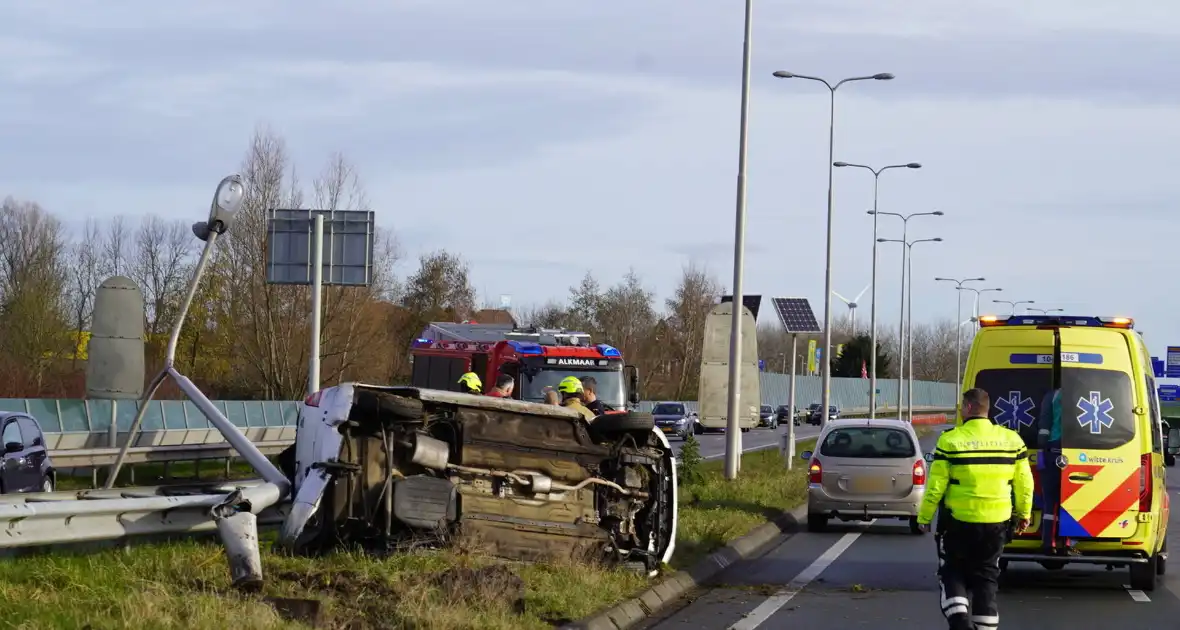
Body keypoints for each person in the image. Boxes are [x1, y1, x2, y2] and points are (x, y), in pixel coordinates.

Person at [917, 388, 1033, 630]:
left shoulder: (950, 440)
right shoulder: (1012, 440)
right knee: (986, 578)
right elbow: (1024, 483)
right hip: (996, 523)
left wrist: (924, 516)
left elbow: (936, 486)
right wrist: (1023, 514)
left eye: (962, 406)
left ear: (969, 408)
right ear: (986, 409)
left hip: (958, 523)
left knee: (952, 573)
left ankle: (960, 621)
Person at [1035, 386, 1073, 554]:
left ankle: (1048, 542)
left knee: (1050, 501)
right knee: (1069, 500)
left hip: (1051, 449)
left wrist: (1041, 450)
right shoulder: (1079, 393)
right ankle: (1066, 543)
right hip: (1075, 450)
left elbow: (1044, 425)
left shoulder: (1052, 396)